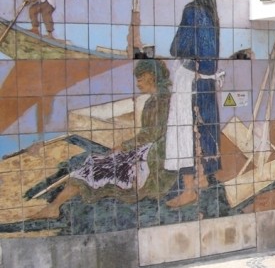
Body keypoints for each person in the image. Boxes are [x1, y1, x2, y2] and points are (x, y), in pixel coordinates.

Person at [29, 60, 174, 220]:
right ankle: (55, 206)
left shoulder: (159, 101)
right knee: (99, 162)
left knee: (99, 167)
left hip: (150, 156)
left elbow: (151, 134)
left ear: (151, 76)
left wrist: (124, 146)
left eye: (140, 79)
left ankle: (54, 207)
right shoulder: (157, 99)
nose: (137, 84)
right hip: (149, 151)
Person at [164, 0, 221, 208]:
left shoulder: (192, 10)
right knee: (205, 127)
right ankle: (204, 178)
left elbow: (178, 46)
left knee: (183, 132)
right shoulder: (212, 13)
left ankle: (188, 189)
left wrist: (176, 47)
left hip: (189, 76)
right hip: (206, 78)